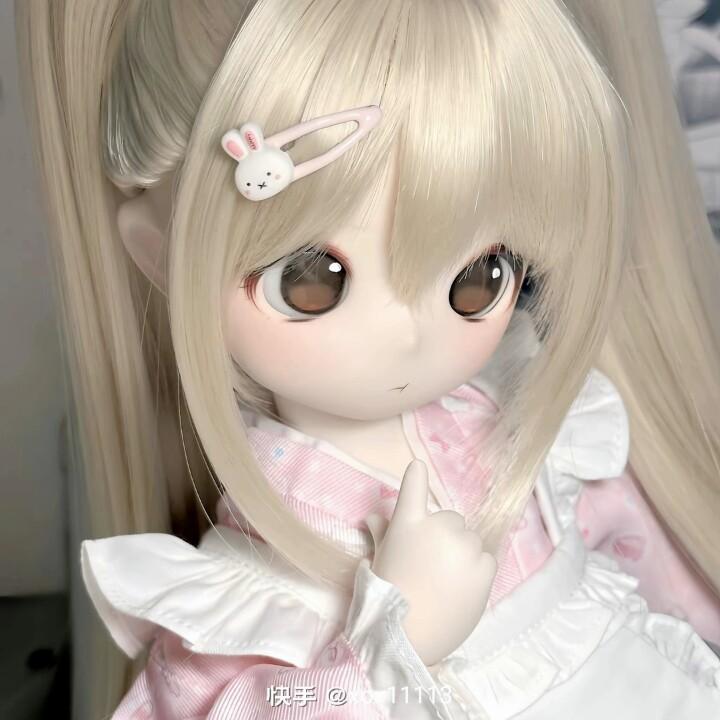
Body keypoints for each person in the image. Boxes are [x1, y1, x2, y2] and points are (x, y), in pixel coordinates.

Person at [14, 1, 720, 717]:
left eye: (480, 275)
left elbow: (627, 565)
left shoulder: (507, 418)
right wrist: (394, 650)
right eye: (312, 281)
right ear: (156, 254)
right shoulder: (263, 562)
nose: (408, 334)